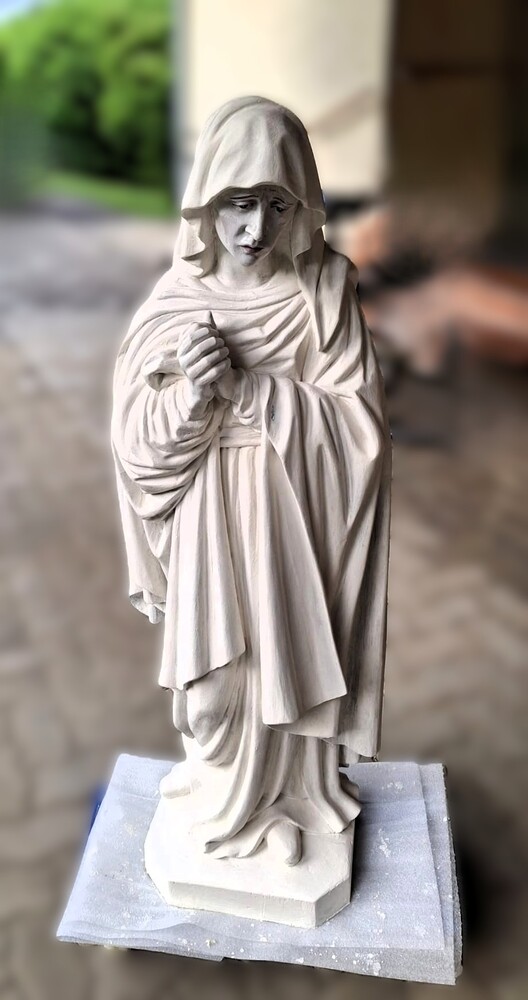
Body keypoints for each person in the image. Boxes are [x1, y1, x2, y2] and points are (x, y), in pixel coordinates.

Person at [111, 96, 391, 867]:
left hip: (291, 509)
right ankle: (222, 793)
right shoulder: (175, 304)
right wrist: (192, 394)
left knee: (285, 665)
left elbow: (361, 431)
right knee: (214, 692)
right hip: (210, 508)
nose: (254, 227)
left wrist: (249, 388)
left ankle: (288, 799)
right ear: (207, 203)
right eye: (238, 203)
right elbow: (138, 448)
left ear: (301, 207)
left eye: (276, 204)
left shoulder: (322, 294)